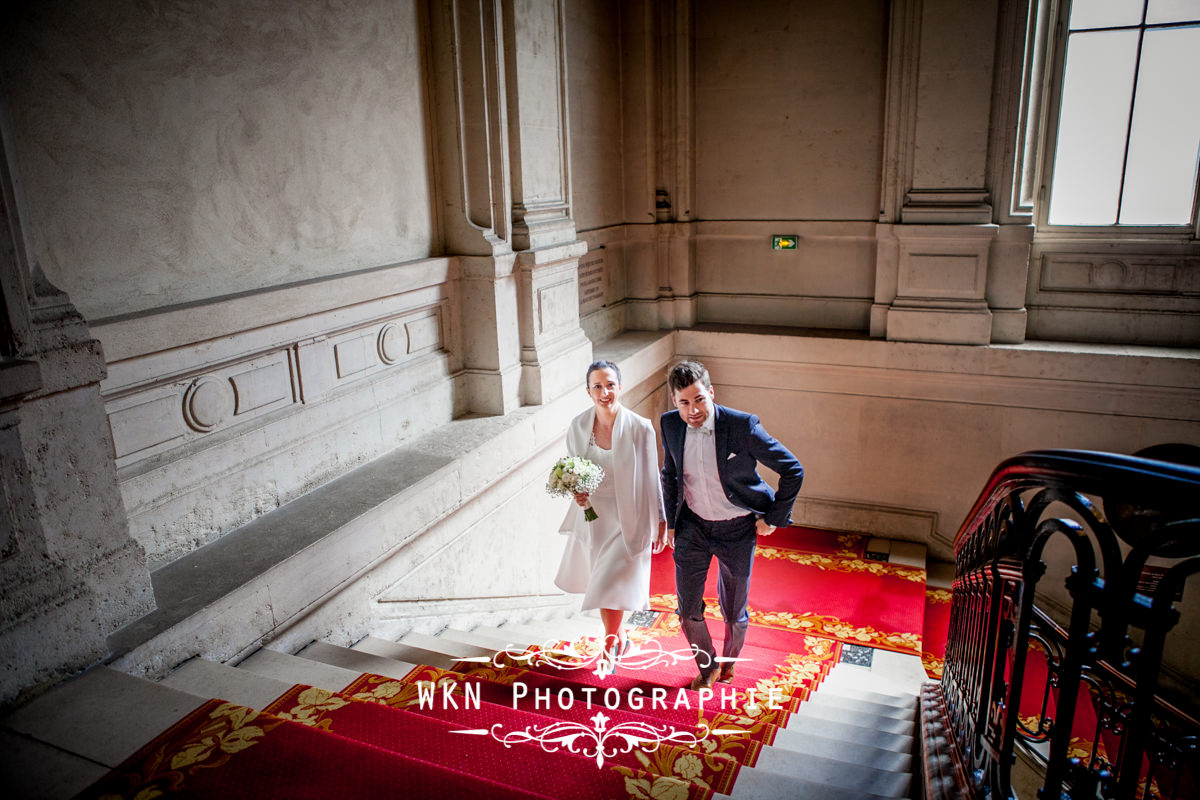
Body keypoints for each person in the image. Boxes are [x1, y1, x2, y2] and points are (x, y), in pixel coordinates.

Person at [660, 360, 804, 690]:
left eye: (699, 399)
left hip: (737, 529)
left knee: (734, 610)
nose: (693, 410)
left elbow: (793, 469)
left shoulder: (742, 426)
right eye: (684, 402)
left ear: (711, 392)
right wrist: (671, 523)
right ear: (674, 401)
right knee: (687, 609)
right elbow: (669, 475)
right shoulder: (670, 425)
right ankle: (707, 664)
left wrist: (773, 518)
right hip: (693, 527)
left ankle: (729, 662)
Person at [555, 360, 668, 668]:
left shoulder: (640, 427)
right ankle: (618, 637)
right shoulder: (578, 426)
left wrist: (660, 519)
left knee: (608, 581)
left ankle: (607, 647)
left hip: (629, 515)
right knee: (607, 583)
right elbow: (573, 467)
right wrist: (576, 491)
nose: (605, 392)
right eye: (597, 386)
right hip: (595, 516)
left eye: (610, 385)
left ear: (620, 386)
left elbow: (651, 476)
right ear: (588, 391)